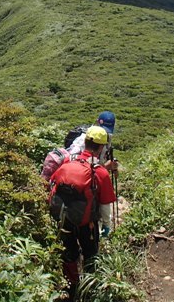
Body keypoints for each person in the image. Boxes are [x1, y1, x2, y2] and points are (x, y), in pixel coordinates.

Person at [49, 125, 117, 299]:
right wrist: (107, 225)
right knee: (90, 254)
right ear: (101, 147)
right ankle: (89, 288)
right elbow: (104, 205)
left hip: (65, 219)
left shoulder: (68, 163)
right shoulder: (99, 172)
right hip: (88, 223)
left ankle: (71, 287)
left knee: (69, 253)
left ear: (85, 141)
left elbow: (53, 184)